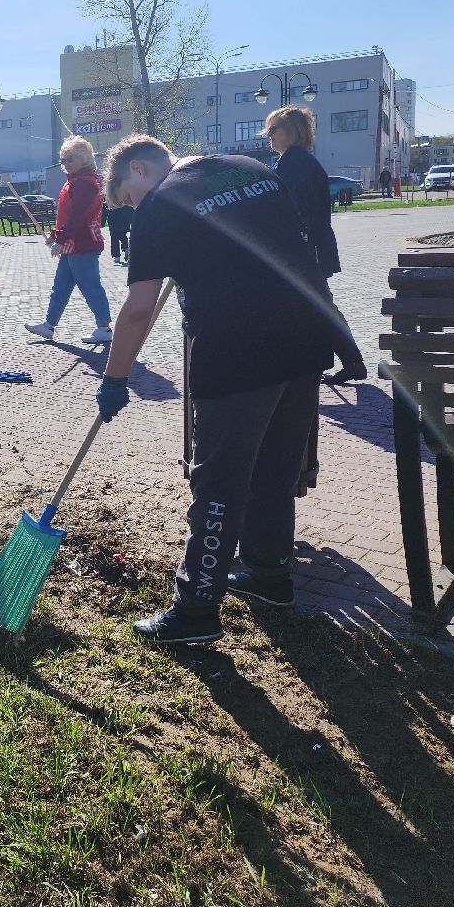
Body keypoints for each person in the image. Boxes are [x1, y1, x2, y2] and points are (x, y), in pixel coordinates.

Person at [95, 134, 334, 645]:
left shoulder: (160, 203)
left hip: (237, 352)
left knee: (219, 480)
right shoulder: (251, 168)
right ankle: (269, 576)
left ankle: (196, 609)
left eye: (127, 198)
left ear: (138, 170)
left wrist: (115, 378)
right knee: (276, 466)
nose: (132, 209)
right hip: (306, 336)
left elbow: (138, 309)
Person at [265, 106, 367, 386]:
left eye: (274, 129)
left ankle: (340, 362)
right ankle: (347, 361)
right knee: (318, 304)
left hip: (304, 248)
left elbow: (291, 210)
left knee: (317, 305)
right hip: (308, 246)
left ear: (293, 132)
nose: (269, 135)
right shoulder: (295, 161)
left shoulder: (295, 163)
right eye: (268, 129)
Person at [24, 135, 112, 344]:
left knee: (90, 285)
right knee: (61, 286)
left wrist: (60, 239)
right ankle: (49, 325)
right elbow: (70, 217)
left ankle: (104, 328)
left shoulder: (84, 183)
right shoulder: (78, 182)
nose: (65, 164)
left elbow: (78, 216)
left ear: (84, 158)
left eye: (70, 158)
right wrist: (57, 236)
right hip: (75, 243)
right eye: (63, 160)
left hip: (83, 243)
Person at [108, 200, 133, 266]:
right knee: (123, 234)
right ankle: (126, 248)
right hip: (125, 215)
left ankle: (117, 256)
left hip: (115, 213)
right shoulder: (126, 192)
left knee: (114, 237)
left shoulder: (112, 192)